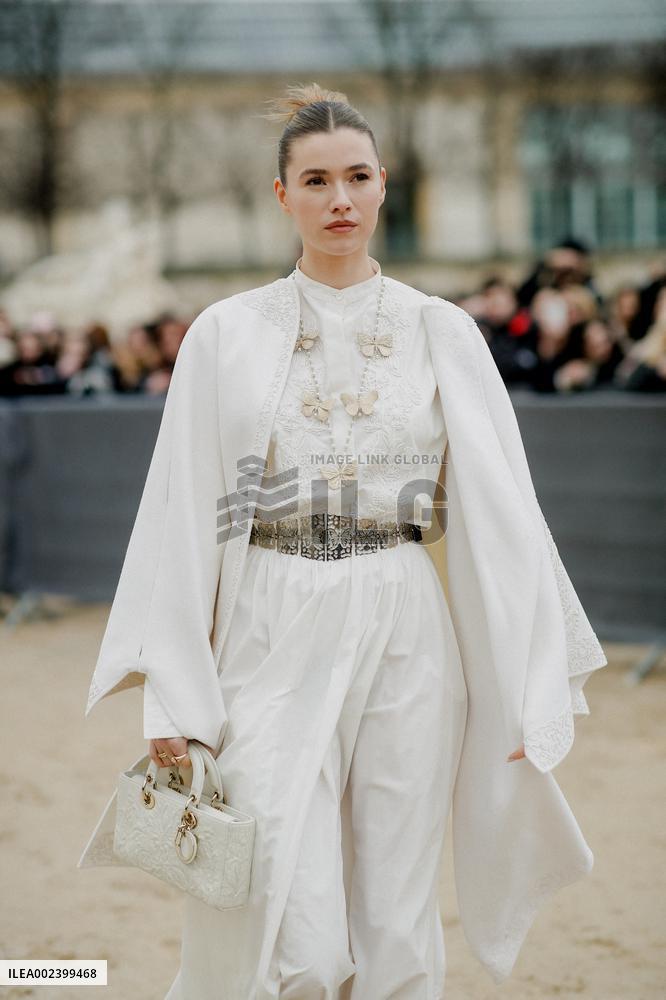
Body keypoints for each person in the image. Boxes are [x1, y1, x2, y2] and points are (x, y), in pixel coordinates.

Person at [78, 83, 608, 999]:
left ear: (383, 185)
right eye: (317, 180)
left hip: (407, 620)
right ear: (281, 194)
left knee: (398, 924)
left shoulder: (442, 331)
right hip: (268, 619)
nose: (340, 200)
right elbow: (179, 514)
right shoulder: (223, 335)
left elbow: (507, 516)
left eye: (358, 177)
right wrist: (172, 696)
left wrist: (529, 680)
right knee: (297, 934)